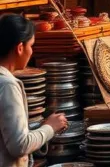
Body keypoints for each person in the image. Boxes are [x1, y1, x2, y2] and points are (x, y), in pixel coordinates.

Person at [0, 14, 66, 167]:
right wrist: (50, 128)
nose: (32, 52)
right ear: (20, 48)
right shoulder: (7, 85)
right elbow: (19, 145)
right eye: (31, 45)